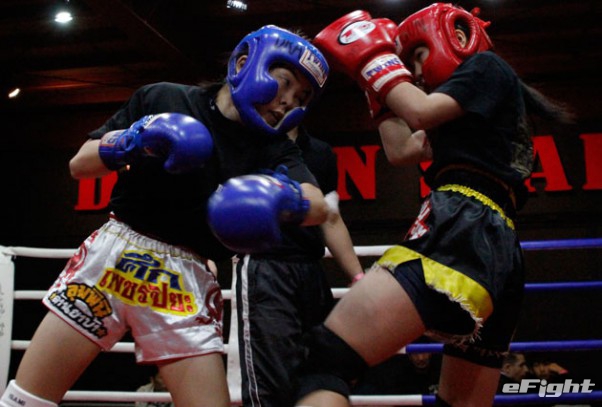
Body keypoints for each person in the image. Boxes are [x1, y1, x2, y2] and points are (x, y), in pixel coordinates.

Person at [0, 25, 330, 407]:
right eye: (285, 83)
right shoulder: (164, 97)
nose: (288, 101)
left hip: (184, 281)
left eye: (301, 97)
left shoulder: (274, 148)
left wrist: (282, 197)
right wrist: (133, 139)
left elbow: (318, 205)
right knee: (25, 400)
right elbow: (80, 164)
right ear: (244, 64)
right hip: (112, 257)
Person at [292, 3, 573, 406]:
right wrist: (375, 88)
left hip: (462, 226)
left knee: (327, 359)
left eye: (418, 57)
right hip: (496, 249)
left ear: (456, 38)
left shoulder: (486, 67)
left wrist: (372, 57)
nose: (417, 73)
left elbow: (419, 111)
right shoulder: (470, 112)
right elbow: (400, 150)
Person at [230, 123, 364, 406]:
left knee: (323, 372)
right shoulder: (243, 142)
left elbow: (330, 217)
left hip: (311, 272)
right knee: (272, 385)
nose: (288, 102)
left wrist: (358, 279)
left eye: (301, 98)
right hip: (265, 269)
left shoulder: (320, 152)